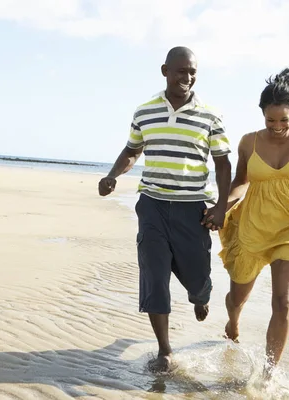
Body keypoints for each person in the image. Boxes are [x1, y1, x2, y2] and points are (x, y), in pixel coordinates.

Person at [98, 46, 232, 373]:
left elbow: (224, 164)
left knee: (198, 277)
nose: (187, 78)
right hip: (153, 204)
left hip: (193, 209)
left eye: (192, 72)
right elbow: (132, 150)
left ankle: (200, 297)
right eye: (181, 71)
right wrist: (113, 174)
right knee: (154, 275)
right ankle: (165, 350)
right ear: (165, 71)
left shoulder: (210, 116)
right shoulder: (145, 112)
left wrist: (221, 207)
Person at [217, 67, 289, 374]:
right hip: (253, 224)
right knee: (237, 297)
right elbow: (241, 182)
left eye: (284, 120)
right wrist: (220, 207)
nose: (277, 126)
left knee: (284, 302)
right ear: (262, 114)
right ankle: (233, 321)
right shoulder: (248, 142)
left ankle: (267, 375)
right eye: (270, 120)